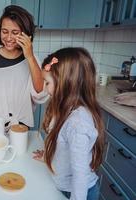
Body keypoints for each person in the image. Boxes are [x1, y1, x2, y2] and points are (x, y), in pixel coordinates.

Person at [33, 47, 105, 200]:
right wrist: (48, 157)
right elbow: (63, 145)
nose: (45, 89)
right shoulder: (64, 109)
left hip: (77, 193)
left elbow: (80, 176)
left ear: (66, 83)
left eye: (47, 83)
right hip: (62, 185)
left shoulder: (78, 124)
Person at [0, 5, 48, 129]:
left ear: (25, 34)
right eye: (4, 31)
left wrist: (29, 56)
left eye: (15, 33)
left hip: (21, 125)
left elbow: (40, 92)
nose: (8, 38)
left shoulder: (32, 60)